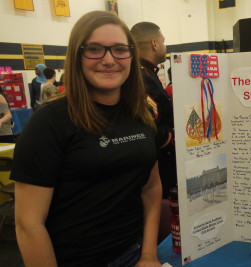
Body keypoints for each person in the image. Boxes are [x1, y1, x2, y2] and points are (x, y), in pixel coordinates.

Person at [10, 10, 162, 267]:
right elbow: (28, 224)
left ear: (131, 55)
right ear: (77, 56)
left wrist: (148, 255)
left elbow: (151, 188)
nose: (109, 59)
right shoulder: (49, 121)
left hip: (134, 254)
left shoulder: (142, 113)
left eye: (119, 49)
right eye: (94, 49)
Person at [131, 22, 176, 199]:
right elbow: (149, 126)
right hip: (158, 164)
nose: (165, 46)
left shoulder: (146, 74)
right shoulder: (143, 77)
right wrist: (174, 136)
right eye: (163, 41)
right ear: (154, 44)